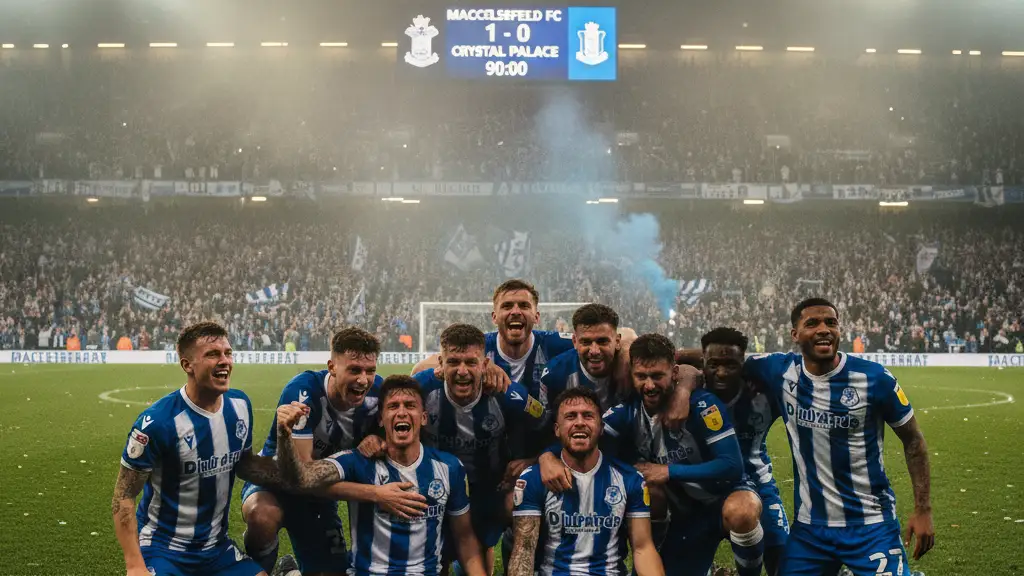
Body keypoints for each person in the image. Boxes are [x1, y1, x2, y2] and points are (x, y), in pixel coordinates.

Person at [744, 298, 935, 575]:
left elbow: (914, 441)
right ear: (794, 335)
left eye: (831, 322)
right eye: (812, 323)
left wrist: (923, 509)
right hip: (811, 531)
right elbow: (722, 358)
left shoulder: (874, 378)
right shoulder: (780, 371)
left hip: (871, 526)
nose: (824, 329)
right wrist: (684, 375)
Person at [112, 322, 284, 576]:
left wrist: (292, 470)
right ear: (187, 365)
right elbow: (123, 496)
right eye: (212, 354)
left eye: (227, 352)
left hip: (216, 549)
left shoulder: (239, 405)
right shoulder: (158, 423)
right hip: (162, 550)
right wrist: (135, 565)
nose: (225, 361)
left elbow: (244, 463)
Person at [275, 375, 489, 576]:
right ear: (380, 418)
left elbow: (465, 539)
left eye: (410, 405)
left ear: (423, 417)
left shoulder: (449, 467)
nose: (402, 412)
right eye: (393, 406)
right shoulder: (358, 461)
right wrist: (285, 435)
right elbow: (302, 478)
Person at [600, 334, 761, 576]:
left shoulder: (703, 404)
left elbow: (731, 466)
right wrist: (548, 457)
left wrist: (667, 471)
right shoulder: (627, 412)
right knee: (648, 492)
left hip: (723, 497)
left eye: (657, 376)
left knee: (742, 511)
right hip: (685, 515)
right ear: (632, 374)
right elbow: (588, 443)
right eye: (641, 376)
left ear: (675, 373)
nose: (650, 385)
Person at [240, 327, 385, 576]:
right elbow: (301, 478)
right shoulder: (304, 391)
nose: (363, 379)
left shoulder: (378, 394)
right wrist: (374, 494)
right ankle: (259, 568)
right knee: (262, 515)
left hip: (320, 495)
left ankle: (288, 571)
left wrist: (380, 438)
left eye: (370, 370)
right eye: (354, 370)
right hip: (276, 483)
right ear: (332, 367)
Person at [507, 387, 664, 576]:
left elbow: (643, 548)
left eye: (588, 416)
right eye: (571, 416)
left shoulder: (629, 479)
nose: (580, 422)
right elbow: (524, 551)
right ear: (557, 429)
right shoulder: (533, 479)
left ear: (601, 428)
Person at [701, 327, 789, 576]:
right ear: (703, 363)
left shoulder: (765, 393)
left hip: (757, 483)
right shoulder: (687, 393)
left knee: (783, 561)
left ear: (744, 363)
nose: (721, 372)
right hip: (699, 490)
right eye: (713, 363)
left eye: (730, 364)